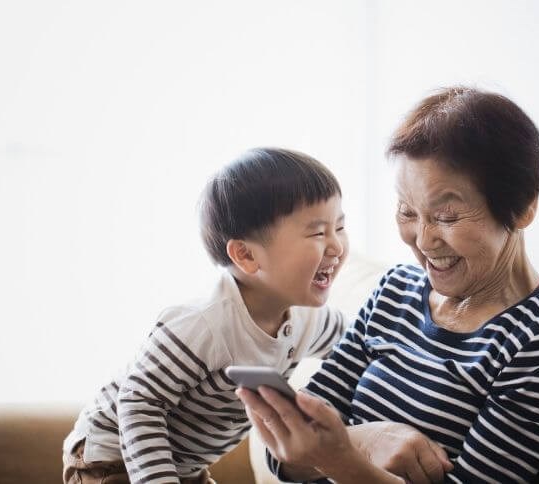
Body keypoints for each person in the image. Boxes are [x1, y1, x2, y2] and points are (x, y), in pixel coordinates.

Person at [237, 87, 539, 484]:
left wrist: (343, 460)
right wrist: (368, 440)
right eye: (407, 211)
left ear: (523, 207)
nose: (422, 240)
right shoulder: (395, 291)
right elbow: (283, 453)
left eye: (446, 215)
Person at [62, 148, 350, 483]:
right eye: (317, 232)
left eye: (340, 227)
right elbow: (139, 402)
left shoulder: (311, 320)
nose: (337, 246)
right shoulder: (205, 325)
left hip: (183, 464)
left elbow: (359, 345)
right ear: (246, 255)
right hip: (113, 456)